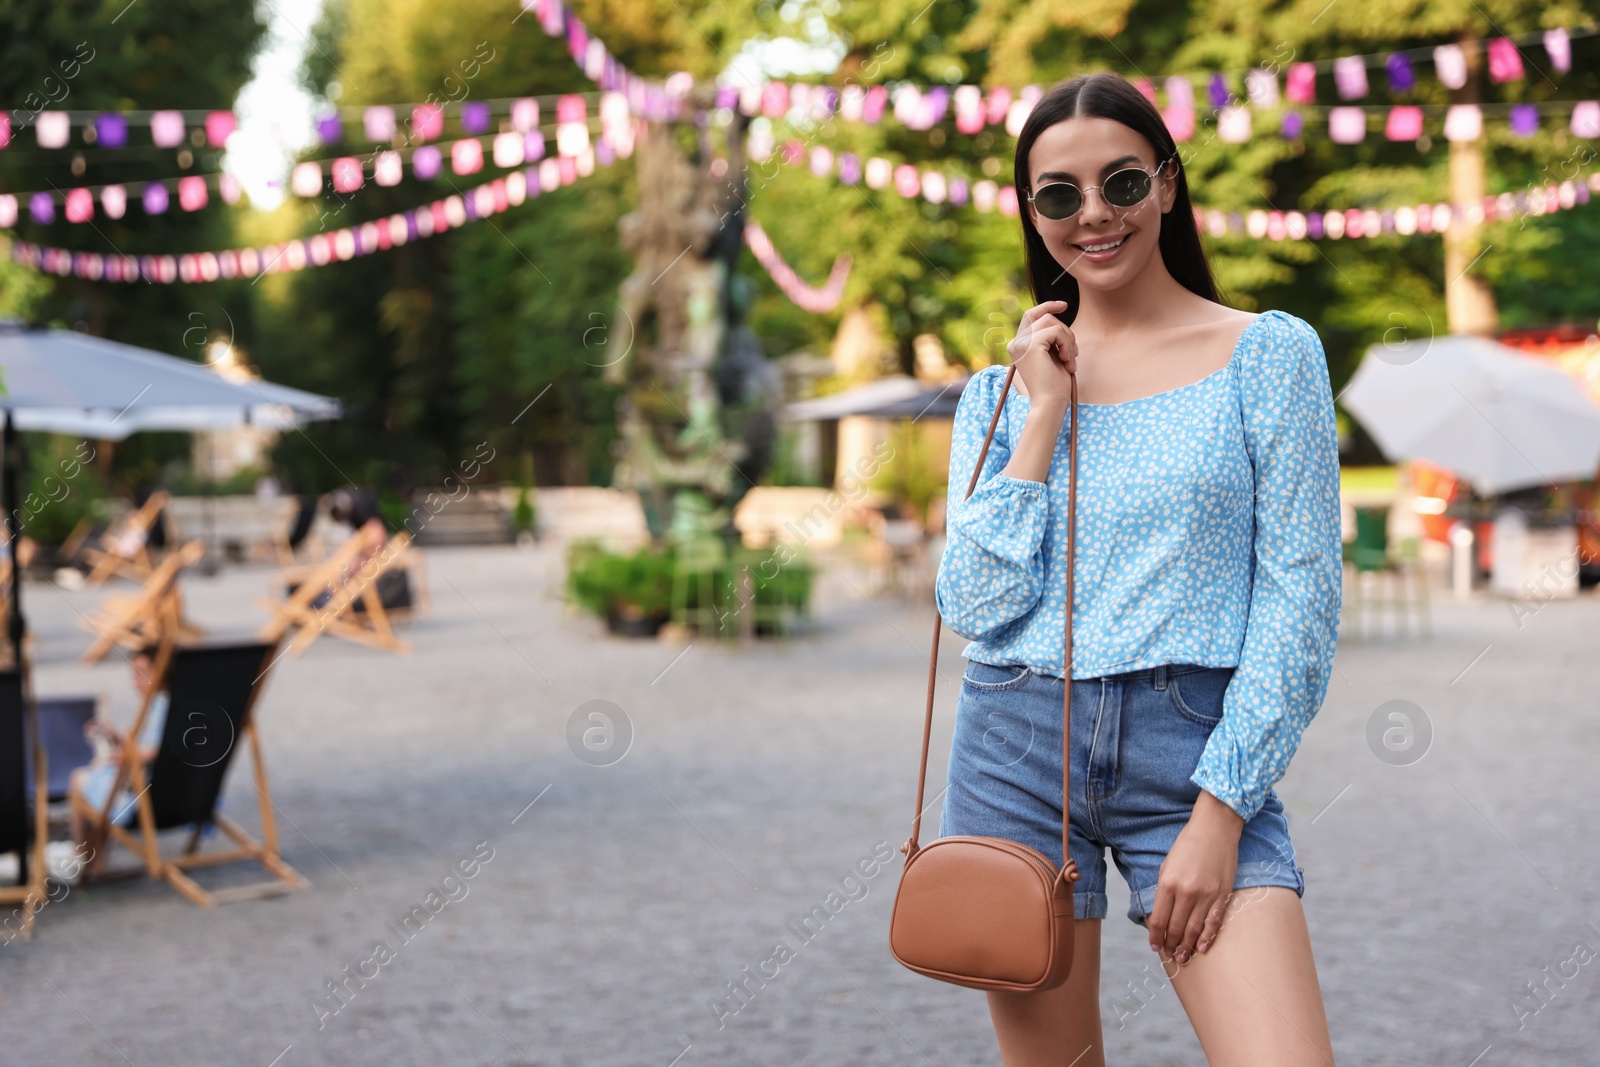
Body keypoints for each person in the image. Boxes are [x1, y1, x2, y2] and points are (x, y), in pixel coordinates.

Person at [934, 72, 1342, 1066]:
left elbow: (1301, 601)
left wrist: (1220, 812)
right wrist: (1041, 417)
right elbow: (975, 604)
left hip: (1194, 754)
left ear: (1164, 182)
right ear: (1032, 213)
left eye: (1119, 181)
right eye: (1058, 195)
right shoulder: (999, 395)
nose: (1094, 215)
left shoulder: (1266, 354)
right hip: (1016, 748)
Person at [65, 643, 170, 880]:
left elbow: (154, 751)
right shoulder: (180, 705)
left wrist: (120, 755)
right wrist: (116, 738)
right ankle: (95, 862)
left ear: (162, 671)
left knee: (80, 780)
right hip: (177, 795)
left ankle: (88, 862)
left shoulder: (161, 706)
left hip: (144, 798)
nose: (136, 681)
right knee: (94, 777)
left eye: (142, 673)